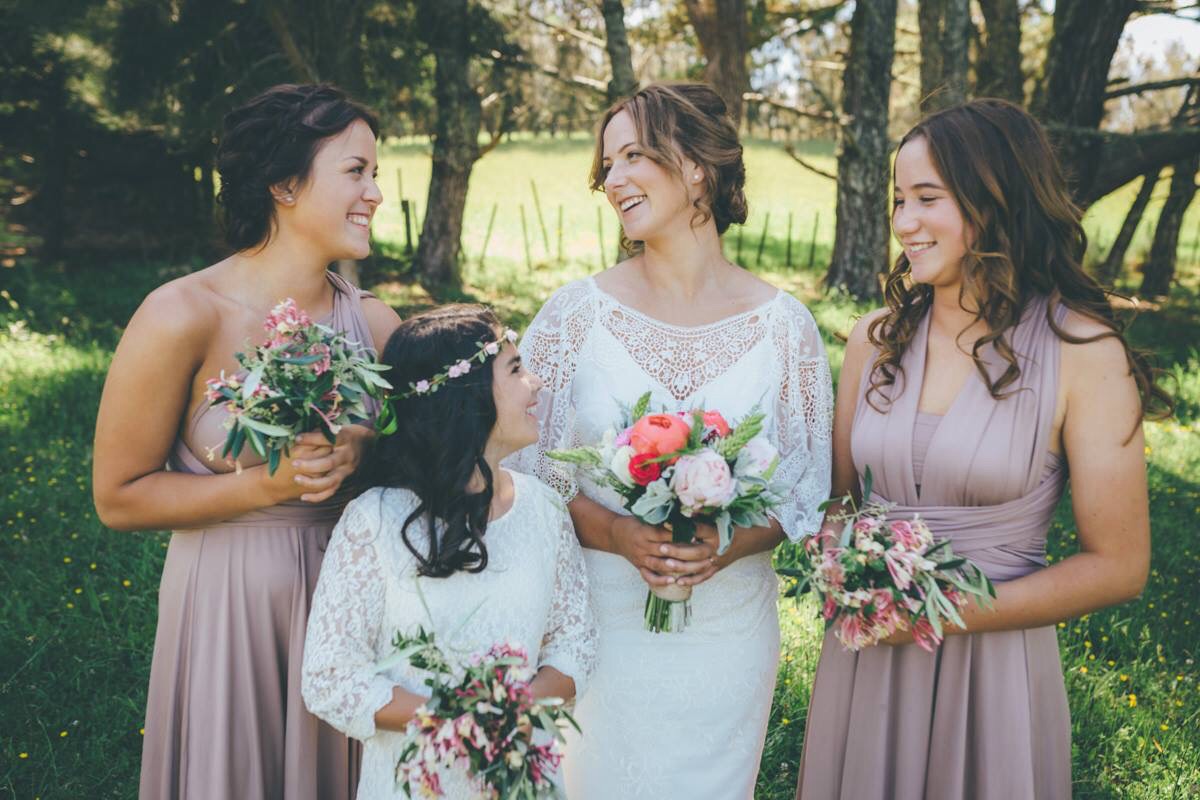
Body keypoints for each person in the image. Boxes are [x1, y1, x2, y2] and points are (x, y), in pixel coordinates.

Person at [796, 98, 1169, 800]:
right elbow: (840, 506)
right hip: (867, 661)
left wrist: (935, 613)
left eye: (926, 199)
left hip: (994, 667)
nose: (904, 222)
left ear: (994, 199)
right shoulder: (872, 343)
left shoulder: (1083, 352)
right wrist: (840, 567)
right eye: (898, 199)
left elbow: (1120, 566)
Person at [510, 82, 834, 799]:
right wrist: (620, 533)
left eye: (634, 156)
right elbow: (524, 473)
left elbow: (807, 487)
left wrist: (728, 542)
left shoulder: (786, 328)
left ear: (697, 167)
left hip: (726, 638)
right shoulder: (572, 318)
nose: (613, 179)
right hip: (597, 623)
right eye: (607, 165)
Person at [92, 83, 402, 800]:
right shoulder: (180, 315)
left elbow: (430, 472)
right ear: (285, 184)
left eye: (376, 174)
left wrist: (365, 453)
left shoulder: (379, 326)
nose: (376, 193)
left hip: (352, 607)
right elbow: (117, 497)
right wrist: (263, 487)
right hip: (227, 612)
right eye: (356, 171)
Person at [301, 304, 597, 799]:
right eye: (517, 369)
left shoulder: (544, 509)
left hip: (521, 777)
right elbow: (330, 677)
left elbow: (575, 642)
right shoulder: (374, 521)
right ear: (469, 397)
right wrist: (459, 725)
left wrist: (512, 715)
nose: (538, 382)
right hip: (419, 781)